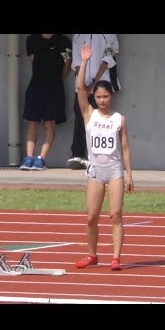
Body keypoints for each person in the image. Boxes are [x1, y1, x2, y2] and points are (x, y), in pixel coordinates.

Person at [74, 43, 133, 271]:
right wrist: (85, 61)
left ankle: (116, 257)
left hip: (115, 170)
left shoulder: (120, 119)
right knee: (91, 217)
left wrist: (130, 174)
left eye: (105, 96)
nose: (101, 100)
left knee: (116, 215)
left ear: (112, 96)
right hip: (96, 172)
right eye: (98, 96)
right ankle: (92, 255)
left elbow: (125, 147)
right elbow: (80, 88)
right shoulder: (89, 114)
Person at [67, 34, 121, 170]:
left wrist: (94, 84)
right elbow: (77, 61)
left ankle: (102, 155)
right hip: (81, 84)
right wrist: (83, 83)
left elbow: (109, 58)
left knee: (102, 119)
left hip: (102, 84)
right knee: (80, 117)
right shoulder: (78, 35)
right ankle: (78, 155)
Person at [19, 34, 72, 170]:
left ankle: (41, 159)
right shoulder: (32, 39)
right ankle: (29, 158)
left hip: (55, 88)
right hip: (36, 86)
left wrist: (58, 81)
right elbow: (34, 61)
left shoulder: (64, 41)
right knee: (33, 122)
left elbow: (68, 62)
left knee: (50, 123)